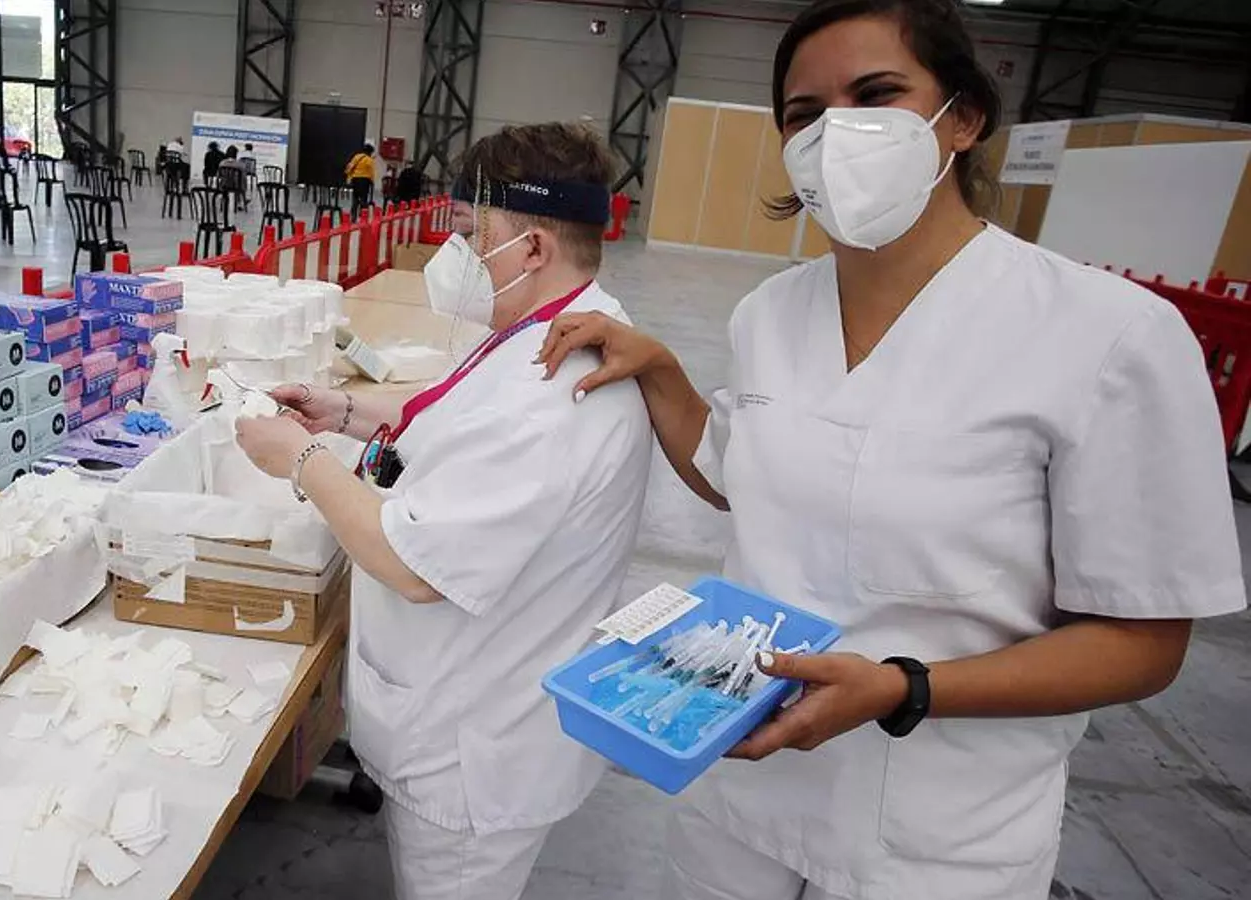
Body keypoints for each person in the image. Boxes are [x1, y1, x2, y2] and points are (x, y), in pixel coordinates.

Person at [536, 2, 1247, 899]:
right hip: (741, 788)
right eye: (804, 113)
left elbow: (1143, 640)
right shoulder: (771, 313)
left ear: (963, 116)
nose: (836, 132)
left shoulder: (1107, 336)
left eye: (876, 95)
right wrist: (661, 370)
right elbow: (733, 473)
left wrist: (906, 688)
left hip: (934, 833)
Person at [235, 122, 652, 900]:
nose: (455, 254)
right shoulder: (554, 327)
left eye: (471, 235)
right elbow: (460, 410)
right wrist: (344, 411)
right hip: (474, 708)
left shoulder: (550, 399)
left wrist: (299, 457)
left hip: (472, 757)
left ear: (532, 248)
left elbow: (410, 564)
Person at [345, 142, 377, 216]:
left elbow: (350, 166)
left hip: (355, 179)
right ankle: (362, 214)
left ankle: (353, 214)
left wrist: (348, 176)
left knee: (355, 197)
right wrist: (372, 181)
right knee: (363, 198)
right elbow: (371, 172)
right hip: (365, 181)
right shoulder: (369, 160)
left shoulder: (357, 157)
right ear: (370, 152)